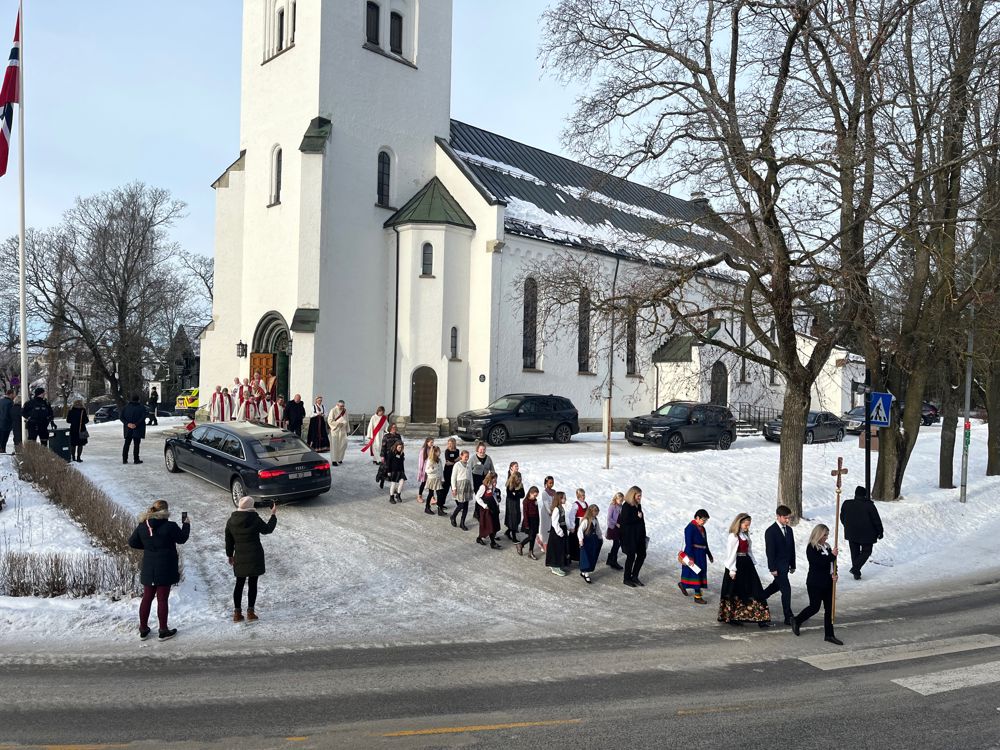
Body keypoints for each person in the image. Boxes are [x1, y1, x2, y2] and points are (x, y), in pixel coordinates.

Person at [127, 499, 190, 640]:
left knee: (147, 598)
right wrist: (186, 524)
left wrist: (149, 547)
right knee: (162, 599)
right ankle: (163, 630)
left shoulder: (143, 525)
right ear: (165, 512)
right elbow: (182, 539)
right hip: (166, 566)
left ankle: (143, 629)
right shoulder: (170, 526)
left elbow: (132, 542)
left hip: (149, 566)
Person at [225, 495, 278, 622]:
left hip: (239, 556)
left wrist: (230, 555)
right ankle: (250, 612)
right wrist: (273, 514)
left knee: (239, 584)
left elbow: (229, 540)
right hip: (255, 555)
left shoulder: (231, 520)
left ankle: (237, 614)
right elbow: (267, 530)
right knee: (253, 584)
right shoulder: (254, 518)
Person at [718, 513, 772, 627]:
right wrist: (732, 569)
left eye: (748, 525)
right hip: (737, 565)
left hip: (746, 564)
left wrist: (752, 561)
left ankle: (761, 618)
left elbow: (749, 550)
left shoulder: (745, 535)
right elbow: (731, 554)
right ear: (739, 523)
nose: (747, 527)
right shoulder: (733, 536)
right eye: (746, 525)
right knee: (735, 591)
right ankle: (731, 616)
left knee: (754, 588)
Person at [792, 524, 843, 645]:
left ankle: (829, 635)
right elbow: (818, 563)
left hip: (828, 582)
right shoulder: (811, 547)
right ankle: (797, 620)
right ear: (818, 534)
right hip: (815, 582)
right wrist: (832, 556)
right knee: (814, 607)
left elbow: (832, 564)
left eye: (827, 535)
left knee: (829, 609)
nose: (826, 537)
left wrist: (835, 573)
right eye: (824, 535)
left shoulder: (827, 547)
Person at [761, 505, 796, 624]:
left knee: (775, 586)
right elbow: (770, 551)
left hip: (785, 566)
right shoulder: (771, 531)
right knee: (786, 590)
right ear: (778, 516)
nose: (787, 520)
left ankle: (758, 598)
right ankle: (788, 616)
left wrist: (793, 564)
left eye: (789, 518)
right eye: (785, 518)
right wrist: (772, 568)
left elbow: (792, 548)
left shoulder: (789, 530)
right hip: (777, 567)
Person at [840, 485, 884, 580]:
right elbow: (876, 520)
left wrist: (848, 526)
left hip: (851, 532)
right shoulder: (869, 505)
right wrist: (880, 532)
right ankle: (856, 569)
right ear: (864, 495)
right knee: (867, 551)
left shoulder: (847, 504)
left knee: (854, 552)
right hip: (867, 534)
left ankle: (856, 572)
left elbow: (842, 517)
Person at [678, 509, 714, 604]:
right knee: (695, 574)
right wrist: (690, 558)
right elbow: (688, 544)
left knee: (699, 573)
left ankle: (683, 584)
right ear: (697, 518)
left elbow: (705, 542)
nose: (704, 522)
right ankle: (697, 597)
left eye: (706, 520)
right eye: (703, 520)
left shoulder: (702, 528)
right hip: (693, 553)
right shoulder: (689, 528)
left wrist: (708, 553)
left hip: (701, 554)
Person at [620, 486, 647, 588]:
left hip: (639, 536)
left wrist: (644, 534)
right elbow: (625, 521)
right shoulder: (626, 506)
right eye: (638, 495)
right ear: (633, 495)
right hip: (629, 537)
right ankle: (626, 578)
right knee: (631, 557)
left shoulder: (638, 505)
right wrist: (637, 517)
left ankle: (635, 576)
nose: (640, 497)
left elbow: (641, 521)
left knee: (642, 554)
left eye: (640, 495)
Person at [475, 471, 502, 549]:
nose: (495, 480)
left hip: (493, 508)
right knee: (489, 525)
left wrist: (497, 502)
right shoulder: (483, 487)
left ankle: (484, 539)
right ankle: (491, 542)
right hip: (486, 509)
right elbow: (477, 497)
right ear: (490, 478)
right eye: (494, 479)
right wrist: (484, 505)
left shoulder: (492, 486)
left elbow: (493, 495)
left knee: (493, 525)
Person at [578, 504, 604, 584]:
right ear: (591, 512)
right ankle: (586, 573)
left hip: (593, 541)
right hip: (586, 541)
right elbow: (580, 530)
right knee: (586, 557)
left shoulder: (595, 520)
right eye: (596, 512)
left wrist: (600, 537)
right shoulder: (586, 521)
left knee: (592, 556)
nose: (596, 514)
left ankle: (585, 572)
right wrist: (580, 539)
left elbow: (598, 529)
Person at [546, 491, 570, 576]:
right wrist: (560, 532)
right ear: (559, 499)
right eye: (564, 497)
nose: (565, 499)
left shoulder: (561, 507)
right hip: (557, 532)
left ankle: (559, 563)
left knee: (561, 548)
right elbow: (554, 522)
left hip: (562, 529)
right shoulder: (556, 509)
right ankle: (554, 565)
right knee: (556, 549)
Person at [470, 443, 495, 518]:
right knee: (479, 496)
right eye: (481, 449)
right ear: (477, 449)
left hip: (485, 480)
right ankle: (477, 513)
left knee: (484, 496)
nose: (482, 451)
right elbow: (468, 470)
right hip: (476, 479)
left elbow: (492, 470)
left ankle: (479, 512)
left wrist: (493, 479)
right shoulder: (473, 458)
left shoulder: (488, 458)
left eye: (484, 449)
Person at [121, 394, 147, 465]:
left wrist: (127, 424)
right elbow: (143, 417)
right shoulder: (142, 407)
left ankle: (124, 459)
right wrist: (136, 424)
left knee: (126, 444)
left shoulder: (125, 407)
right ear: (138, 399)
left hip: (128, 428)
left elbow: (121, 417)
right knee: (136, 444)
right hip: (138, 428)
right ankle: (136, 459)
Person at [450, 449, 472, 530]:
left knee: (466, 505)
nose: (467, 458)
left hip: (467, 486)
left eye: (468, 457)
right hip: (460, 486)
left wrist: (471, 487)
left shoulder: (469, 465)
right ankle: (453, 516)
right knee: (461, 504)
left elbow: (470, 477)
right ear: (461, 456)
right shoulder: (457, 465)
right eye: (465, 456)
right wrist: (454, 488)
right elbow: (453, 477)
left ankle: (462, 523)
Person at [517, 485, 541, 560]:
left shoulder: (535, 500)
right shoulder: (526, 501)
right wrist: (526, 524)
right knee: (531, 537)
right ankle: (521, 544)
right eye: (534, 495)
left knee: (533, 537)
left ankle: (531, 551)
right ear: (530, 493)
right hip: (529, 521)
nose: (535, 497)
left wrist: (538, 521)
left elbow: (537, 511)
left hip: (535, 520)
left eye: (536, 495)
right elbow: (525, 513)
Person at [566, 488, 589, 563]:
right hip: (577, 523)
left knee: (582, 540)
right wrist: (572, 526)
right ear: (578, 496)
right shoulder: (576, 504)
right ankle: (571, 556)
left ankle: (580, 557)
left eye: (584, 495)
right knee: (574, 541)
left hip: (584, 523)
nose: (583, 497)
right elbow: (571, 516)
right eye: (582, 495)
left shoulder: (585, 504)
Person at [379, 424, 403, 489]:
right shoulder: (386, 436)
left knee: (395, 469)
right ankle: (382, 480)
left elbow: (401, 445)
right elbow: (383, 447)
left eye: (395, 427)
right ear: (390, 428)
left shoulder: (398, 436)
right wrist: (382, 456)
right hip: (387, 455)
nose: (394, 428)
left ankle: (394, 485)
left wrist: (401, 454)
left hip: (396, 455)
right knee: (385, 469)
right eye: (392, 427)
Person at [605, 492, 624, 570]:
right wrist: (616, 524)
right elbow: (609, 518)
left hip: (620, 528)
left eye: (622, 500)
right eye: (620, 500)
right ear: (616, 499)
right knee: (617, 544)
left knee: (617, 544)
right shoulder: (612, 506)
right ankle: (613, 561)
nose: (621, 501)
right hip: (614, 528)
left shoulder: (621, 506)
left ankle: (610, 559)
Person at [504, 471, 525, 542]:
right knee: (512, 518)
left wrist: (515, 493)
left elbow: (522, 495)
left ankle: (508, 531)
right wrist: (517, 493)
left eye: (520, 479)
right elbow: (510, 495)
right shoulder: (509, 484)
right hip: (510, 503)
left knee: (517, 517)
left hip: (516, 503)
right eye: (517, 480)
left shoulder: (520, 485)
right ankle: (514, 537)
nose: (519, 481)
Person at [66, 398, 89, 463]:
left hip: (73, 429)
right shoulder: (83, 410)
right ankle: (79, 458)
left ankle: (73, 457)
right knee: (80, 444)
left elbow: (68, 420)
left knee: (73, 444)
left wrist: (74, 421)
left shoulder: (71, 410)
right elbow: (86, 420)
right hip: (81, 429)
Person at [423, 445, 444, 515]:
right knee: (431, 494)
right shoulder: (430, 460)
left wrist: (442, 478)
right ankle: (427, 507)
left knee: (440, 494)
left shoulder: (439, 460)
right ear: (434, 452)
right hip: (432, 479)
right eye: (438, 451)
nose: (440, 453)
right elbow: (426, 470)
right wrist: (432, 469)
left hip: (438, 479)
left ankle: (439, 509)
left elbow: (441, 469)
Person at [536, 476, 555, 554]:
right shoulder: (544, 493)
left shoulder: (554, 491)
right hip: (546, 512)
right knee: (545, 527)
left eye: (552, 483)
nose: (551, 484)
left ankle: (548, 542)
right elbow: (546, 503)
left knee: (550, 527)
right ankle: (542, 541)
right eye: (550, 483)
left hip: (553, 511)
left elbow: (555, 501)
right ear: (546, 483)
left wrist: (554, 510)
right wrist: (549, 512)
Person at [440, 437, 459, 509]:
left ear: (454, 444)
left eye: (451, 443)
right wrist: (455, 461)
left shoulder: (457, 450)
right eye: (449, 443)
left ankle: (459, 505)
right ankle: (441, 504)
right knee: (445, 489)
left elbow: (456, 462)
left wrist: (453, 462)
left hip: (455, 472)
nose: (450, 445)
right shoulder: (447, 451)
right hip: (447, 472)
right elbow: (448, 462)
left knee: (455, 489)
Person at [327, 399, 349, 465]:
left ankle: (339, 458)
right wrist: (338, 423)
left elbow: (347, 419)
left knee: (343, 444)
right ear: (337, 405)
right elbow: (329, 420)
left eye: (343, 406)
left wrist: (347, 430)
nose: (342, 407)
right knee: (334, 445)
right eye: (341, 406)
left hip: (343, 430)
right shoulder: (333, 410)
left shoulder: (345, 411)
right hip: (335, 430)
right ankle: (334, 460)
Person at [386, 440, 407, 504]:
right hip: (393, 471)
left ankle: (398, 495)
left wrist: (403, 471)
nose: (400, 449)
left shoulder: (401, 453)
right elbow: (388, 463)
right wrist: (389, 471)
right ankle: (391, 497)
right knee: (393, 484)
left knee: (402, 483)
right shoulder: (391, 453)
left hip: (400, 471)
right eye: (399, 447)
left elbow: (402, 463)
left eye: (401, 447)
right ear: (396, 447)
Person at [0, 388, 14, 453]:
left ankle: (1, 449)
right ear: (11, 394)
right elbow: (10, 414)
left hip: (1, 423)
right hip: (6, 424)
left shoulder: (1, 401)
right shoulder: (10, 403)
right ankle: (3, 450)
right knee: (4, 439)